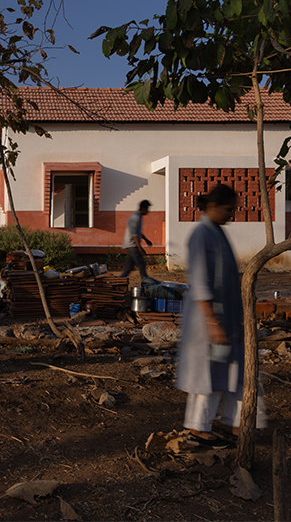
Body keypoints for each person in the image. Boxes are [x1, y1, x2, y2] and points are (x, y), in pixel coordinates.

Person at [175, 184, 266, 448]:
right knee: (208, 376)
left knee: (234, 370)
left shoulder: (217, 232)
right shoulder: (201, 234)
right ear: (212, 207)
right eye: (228, 209)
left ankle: (230, 421)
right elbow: (200, 281)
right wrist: (212, 322)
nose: (231, 215)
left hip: (225, 317)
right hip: (207, 319)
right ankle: (198, 427)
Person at [119, 199, 153, 279]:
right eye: (147, 209)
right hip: (132, 244)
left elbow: (138, 232)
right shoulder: (136, 217)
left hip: (131, 244)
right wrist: (139, 247)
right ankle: (146, 281)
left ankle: (118, 281)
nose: (148, 211)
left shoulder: (139, 216)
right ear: (143, 208)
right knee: (141, 264)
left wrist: (145, 239)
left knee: (129, 267)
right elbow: (134, 234)